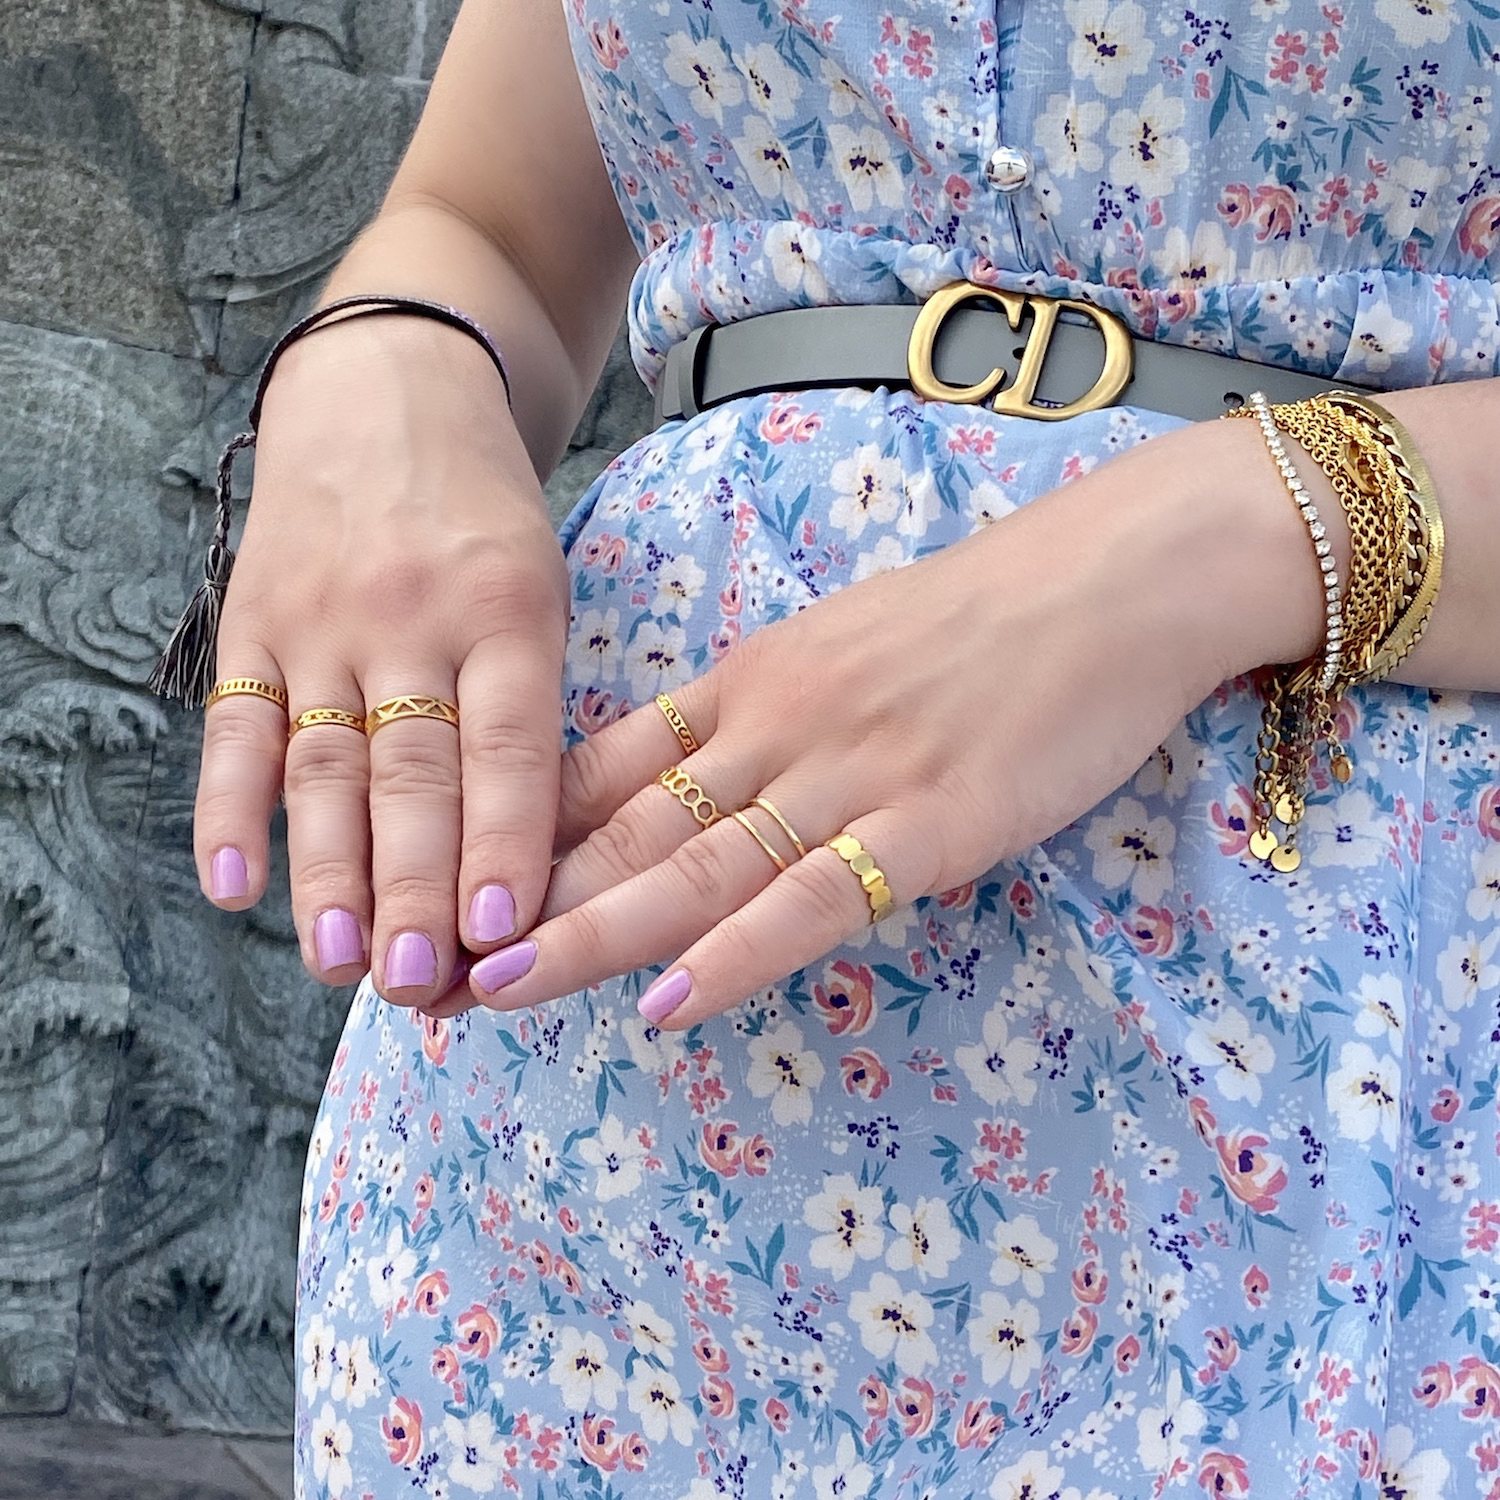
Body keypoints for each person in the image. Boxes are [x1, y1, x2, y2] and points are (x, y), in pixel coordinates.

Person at [192, 1, 1500, 1494]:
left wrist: (1235, 536)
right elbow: (487, 223)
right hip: (573, 1149)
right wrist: (390, 366)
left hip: (1330, 1073)